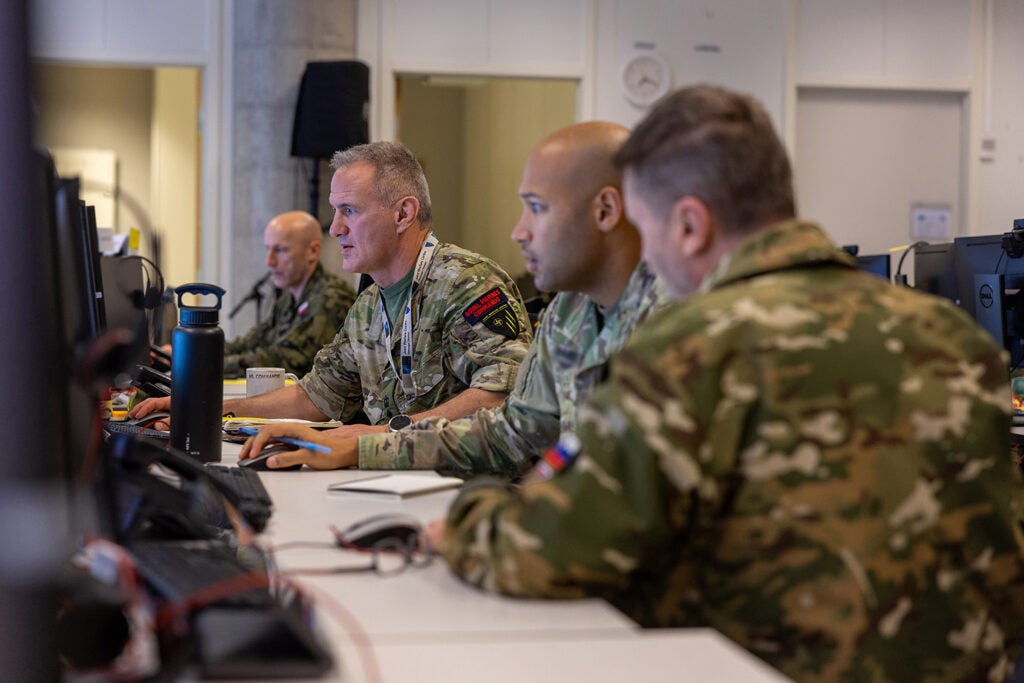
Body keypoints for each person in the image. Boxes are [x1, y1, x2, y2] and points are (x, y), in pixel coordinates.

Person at [434, 85, 1024, 681]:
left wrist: (468, 510)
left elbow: (546, 549)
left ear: (690, 225)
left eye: (647, 229)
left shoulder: (690, 348)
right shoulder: (954, 337)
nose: (646, 257)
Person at [240, 122, 668, 474]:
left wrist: (375, 440)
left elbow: (506, 406)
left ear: (606, 211)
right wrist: (367, 446)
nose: (519, 232)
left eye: (536, 208)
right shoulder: (569, 311)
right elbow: (521, 432)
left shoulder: (675, 321)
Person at [132, 141, 532, 429]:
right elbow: (314, 396)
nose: (336, 228)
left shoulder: (467, 283)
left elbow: (503, 394)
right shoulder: (370, 303)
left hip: (466, 493)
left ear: (403, 214)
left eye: (349, 211)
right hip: (398, 483)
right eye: (335, 211)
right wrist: (207, 408)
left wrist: (378, 441)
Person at [221, 210, 355, 378]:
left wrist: (212, 364)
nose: (269, 261)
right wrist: (199, 351)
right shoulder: (288, 298)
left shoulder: (331, 298)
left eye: (280, 250)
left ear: (312, 251)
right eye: (268, 249)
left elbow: (288, 361)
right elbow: (253, 342)